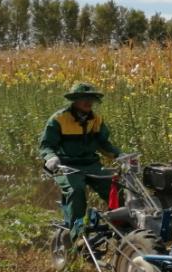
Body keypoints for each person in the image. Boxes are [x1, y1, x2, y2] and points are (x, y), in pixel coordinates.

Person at [39, 82, 122, 238]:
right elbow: (46, 145)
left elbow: (103, 144)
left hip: (91, 165)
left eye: (90, 98)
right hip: (66, 166)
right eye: (83, 98)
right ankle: (78, 235)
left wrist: (120, 155)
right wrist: (51, 157)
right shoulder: (59, 119)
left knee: (116, 188)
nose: (88, 102)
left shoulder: (96, 120)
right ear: (75, 101)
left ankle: (122, 227)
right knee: (76, 191)